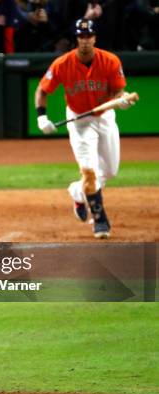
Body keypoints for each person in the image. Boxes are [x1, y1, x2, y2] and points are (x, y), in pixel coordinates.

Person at [34, 19, 135, 239]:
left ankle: (78, 192)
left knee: (109, 171)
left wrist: (122, 100)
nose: (85, 40)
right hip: (79, 121)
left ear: (95, 38)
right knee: (90, 171)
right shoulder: (62, 63)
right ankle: (100, 222)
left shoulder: (110, 60)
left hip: (105, 117)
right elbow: (42, 91)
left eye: (89, 36)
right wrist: (42, 118)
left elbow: (118, 92)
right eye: (81, 36)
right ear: (76, 39)